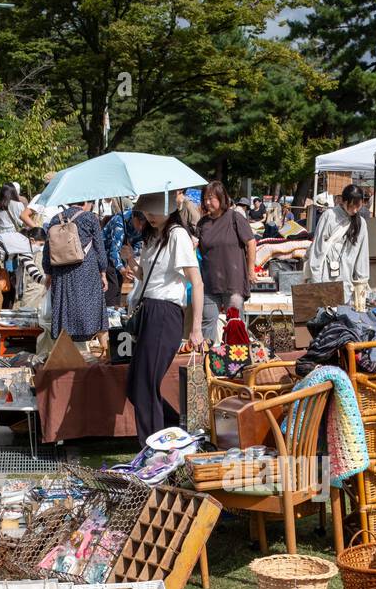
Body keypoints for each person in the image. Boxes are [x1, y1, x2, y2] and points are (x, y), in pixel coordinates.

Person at [125, 191, 204, 441]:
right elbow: (147, 277)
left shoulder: (177, 235)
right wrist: (131, 262)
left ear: (169, 210)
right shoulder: (151, 236)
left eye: (154, 212)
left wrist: (197, 328)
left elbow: (197, 282)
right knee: (136, 385)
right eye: (146, 212)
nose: (150, 217)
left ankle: (154, 445)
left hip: (165, 313)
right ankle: (174, 432)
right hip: (148, 309)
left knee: (145, 385)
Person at [195, 181, 257, 344]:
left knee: (234, 324)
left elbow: (251, 242)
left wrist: (251, 270)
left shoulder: (235, 217)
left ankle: (236, 365)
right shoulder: (202, 224)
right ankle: (206, 363)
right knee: (207, 322)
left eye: (211, 198)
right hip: (209, 283)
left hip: (233, 282)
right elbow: (197, 249)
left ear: (221, 198)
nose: (207, 202)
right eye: (205, 199)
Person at [41, 201, 108, 346]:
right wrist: (103, 272)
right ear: (86, 202)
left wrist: (48, 273)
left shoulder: (55, 219)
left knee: (64, 309)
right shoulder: (90, 218)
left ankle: (64, 356)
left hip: (60, 271)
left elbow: (47, 250)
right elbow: (99, 248)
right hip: (86, 270)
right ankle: (105, 353)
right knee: (97, 314)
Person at [306, 182, 370, 305]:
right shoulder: (329, 216)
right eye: (351, 206)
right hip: (326, 278)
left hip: (347, 280)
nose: (355, 210)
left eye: (358, 206)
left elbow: (363, 254)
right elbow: (318, 248)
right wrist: (316, 279)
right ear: (343, 201)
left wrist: (362, 282)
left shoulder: (361, 223)